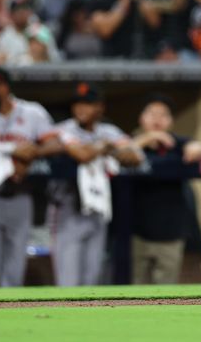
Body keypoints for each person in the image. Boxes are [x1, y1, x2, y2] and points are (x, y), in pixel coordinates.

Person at [0, 66, 62, 287]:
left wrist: (32, 154)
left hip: (19, 197)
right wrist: (15, 150)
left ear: (3, 87)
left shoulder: (32, 112)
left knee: (14, 272)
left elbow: (55, 143)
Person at [48, 82, 143, 286]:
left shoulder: (108, 130)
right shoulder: (63, 129)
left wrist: (112, 149)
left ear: (100, 107)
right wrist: (104, 147)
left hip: (98, 210)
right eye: (77, 103)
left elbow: (135, 156)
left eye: (88, 103)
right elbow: (82, 155)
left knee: (92, 279)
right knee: (68, 281)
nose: (81, 108)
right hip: (67, 207)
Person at [130, 94, 201, 284]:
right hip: (137, 233)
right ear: (141, 118)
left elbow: (196, 147)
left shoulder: (177, 145)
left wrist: (195, 147)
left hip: (171, 234)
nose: (157, 119)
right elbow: (120, 152)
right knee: (134, 291)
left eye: (163, 115)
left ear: (171, 120)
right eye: (152, 113)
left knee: (165, 291)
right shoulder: (132, 143)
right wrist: (149, 138)